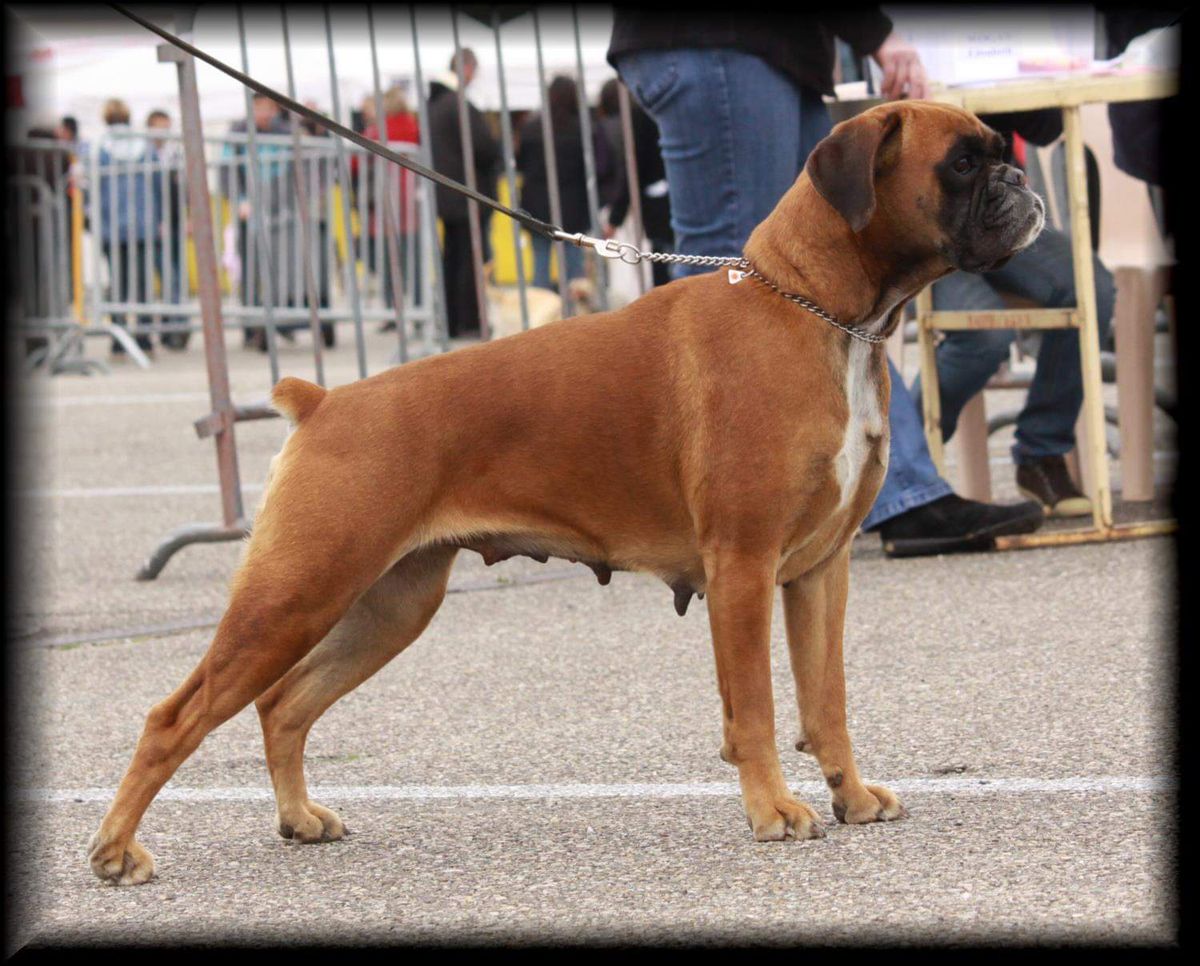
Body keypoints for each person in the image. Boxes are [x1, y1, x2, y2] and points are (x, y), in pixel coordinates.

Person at [609, 11, 1045, 557]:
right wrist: (878, 34)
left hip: (777, 49)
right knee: (726, 277)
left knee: (844, 283)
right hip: (721, 40)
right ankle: (705, 504)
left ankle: (901, 492)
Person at [916, 109, 1116, 519]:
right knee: (983, 336)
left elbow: (1047, 127)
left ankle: (1043, 451)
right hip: (928, 221)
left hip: (999, 209)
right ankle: (902, 467)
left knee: (1090, 288)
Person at [426, 48, 500, 337]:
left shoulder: (435, 104)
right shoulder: (458, 104)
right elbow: (485, 148)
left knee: (452, 259)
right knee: (470, 261)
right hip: (467, 195)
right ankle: (469, 321)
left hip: (447, 195)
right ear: (467, 68)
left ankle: (452, 319)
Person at [223, 92, 295, 350]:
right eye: (259, 107)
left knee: (280, 271)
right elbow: (227, 170)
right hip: (248, 213)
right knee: (251, 272)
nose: (264, 112)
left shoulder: (286, 133)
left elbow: (294, 172)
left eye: (268, 107)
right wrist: (239, 198)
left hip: (280, 212)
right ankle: (252, 327)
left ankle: (279, 323)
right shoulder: (238, 133)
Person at [94, 97, 159, 355]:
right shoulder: (144, 144)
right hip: (143, 225)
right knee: (143, 283)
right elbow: (157, 184)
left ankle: (119, 338)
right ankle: (143, 337)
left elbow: (94, 193)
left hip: (113, 228)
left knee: (118, 284)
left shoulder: (100, 148)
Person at [515, 75, 591, 292]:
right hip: (574, 206)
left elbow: (521, 164)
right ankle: (577, 320)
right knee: (575, 273)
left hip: (537, 205)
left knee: (540, 267)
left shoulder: (531, 128)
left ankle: (543, 319)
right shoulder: (582, 129)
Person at [353, 85, 421, 325]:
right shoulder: (413, 125)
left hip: (385, 200)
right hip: (411, 198)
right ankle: (419, 308)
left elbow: (354, 159)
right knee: (413, 259)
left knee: (387, 258)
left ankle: (393, 311)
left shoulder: (378, 129)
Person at [599, 80, 673, 289]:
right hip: (669, 204)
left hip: (655, 206)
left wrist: (615, 217)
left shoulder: (639, 113)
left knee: (661, 268)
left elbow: (632, 167)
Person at [146, 109, 189, 350]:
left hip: (174, 222)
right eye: (159, 127)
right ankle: (173, 326)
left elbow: (185, 189)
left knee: (176, 277)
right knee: (168, 278)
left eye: (166, 126)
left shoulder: (175, 154)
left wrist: (190, 216)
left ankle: (175, 326)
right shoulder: (146, 155)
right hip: (155, 226)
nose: (163, 132)